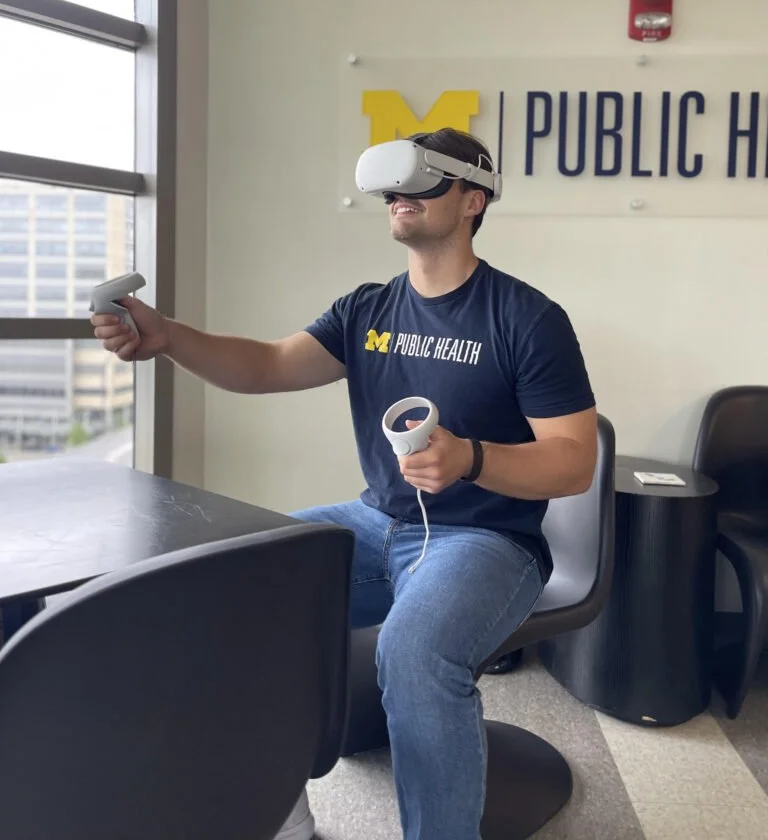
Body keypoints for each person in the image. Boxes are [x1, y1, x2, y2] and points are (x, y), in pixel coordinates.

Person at [91, 127, 597, 840]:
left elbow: (574, 460)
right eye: (394, 188)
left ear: (474, 199)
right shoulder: (367, 310)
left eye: (423, 185)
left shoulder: (527, 319)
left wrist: (472, 459)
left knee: (415, 654)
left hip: (487, 540)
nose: (399, 198)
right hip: (374, 521)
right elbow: (266, 365)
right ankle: (289, 823)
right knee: (227, 583)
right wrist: (167, 336)